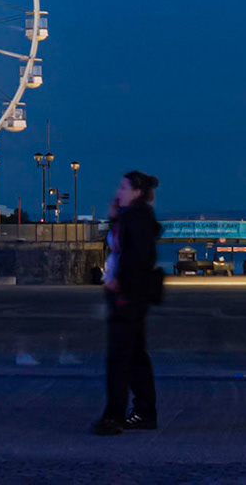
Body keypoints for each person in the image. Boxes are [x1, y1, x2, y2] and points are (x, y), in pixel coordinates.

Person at [94, 170, 162, 436]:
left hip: (128, 297)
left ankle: (114, 416)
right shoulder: (132, 217)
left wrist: (118, 282)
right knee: (134, 357)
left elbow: (137, 256)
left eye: (123, 187)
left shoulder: (137, 219)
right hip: (131, 296)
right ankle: (145, 411)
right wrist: (115, 217)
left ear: (136, 192)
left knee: (120, 359)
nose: (118, 191)